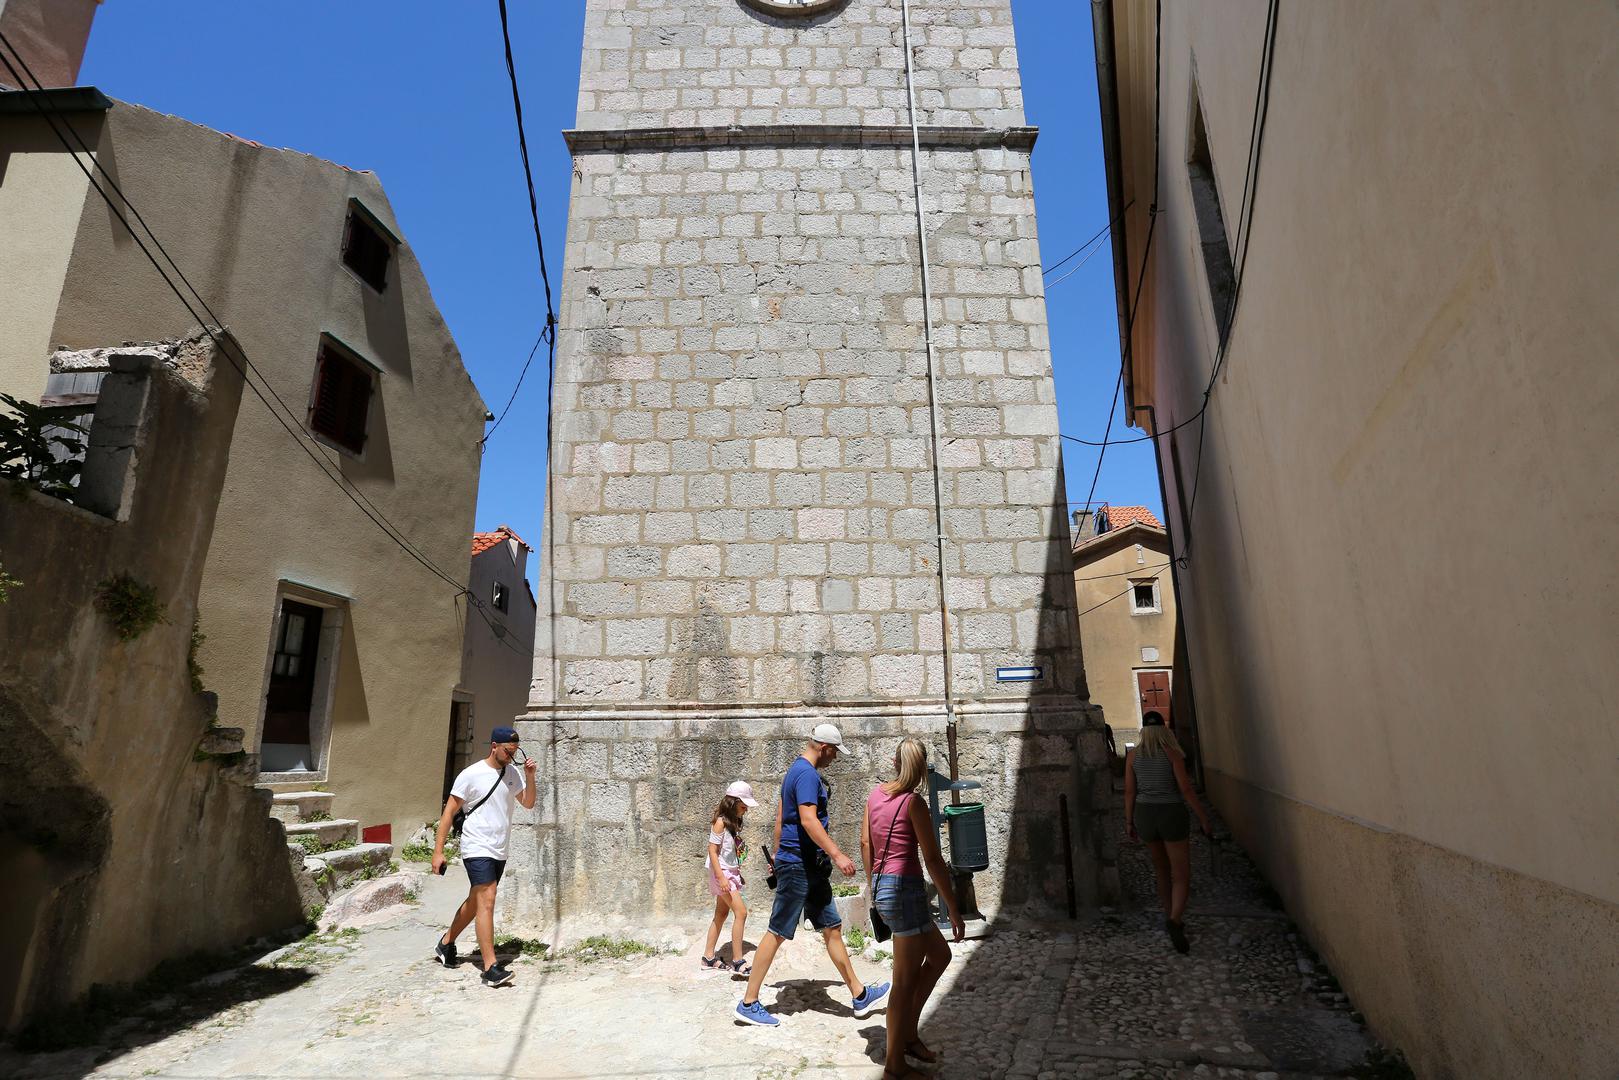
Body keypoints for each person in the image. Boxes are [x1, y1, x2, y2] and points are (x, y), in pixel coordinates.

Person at [735, 723, 890, 1027]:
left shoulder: (794, 771)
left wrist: (777, 855)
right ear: (824, 747)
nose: (834, 759)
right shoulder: (806, 774)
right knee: (777, 930)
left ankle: (859, 995)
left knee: (831, 927)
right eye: (834, 752)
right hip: (800, 865)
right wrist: (837, 853)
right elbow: (807, 820)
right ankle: (748, 1002)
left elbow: (781, 818)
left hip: (803, 865)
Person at [862, 737, 964, 1080]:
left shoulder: (875, 795)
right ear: (921, 769)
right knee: (903, 982)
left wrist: (872, 883)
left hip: (884, 886)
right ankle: (894, 1065)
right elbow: (933, 859)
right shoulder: (913, 803)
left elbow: (865, 843)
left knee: (940, 957)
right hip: (904, 890)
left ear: (894, 762)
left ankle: (908, 1034)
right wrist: (953, 906)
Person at [431, 725, 536, 986]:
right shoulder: (471, 774)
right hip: (476, 846)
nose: (512, 756)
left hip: (500, 847)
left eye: (515, 751)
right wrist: (438, 851)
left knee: (477, 900)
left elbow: (528, 803)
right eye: (508, 751)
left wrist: (530, 776)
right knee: (487, 898)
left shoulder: (512, 773)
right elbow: (449, 814)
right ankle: (490, 968)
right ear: (494, 747)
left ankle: (446, 943)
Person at [1124, 710, 1212, 953]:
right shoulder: (1173, 755)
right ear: (1163, 730)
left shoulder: (1132, 757)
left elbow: (1129, 792)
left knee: (1161, 869)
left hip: (1144, 814)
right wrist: (1203, 818)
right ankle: (1175, 920)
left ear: (1143, 731)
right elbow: (1186, 790)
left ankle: (1168, 914)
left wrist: (1129, 822)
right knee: (1181, 872)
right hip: (1171, 813)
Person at [701, 780, 759, 973]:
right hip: (721, 874)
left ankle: (708, 958)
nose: (746, 810)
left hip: (729, 873)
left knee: (721, 914)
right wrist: (722, 878)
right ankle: (738, 961)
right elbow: (712, 851)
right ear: (733, 802)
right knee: (741, 913)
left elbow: (729, 853)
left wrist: (736, 874)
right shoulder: (720, 823)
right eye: (743, 806)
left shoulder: (732, 824)